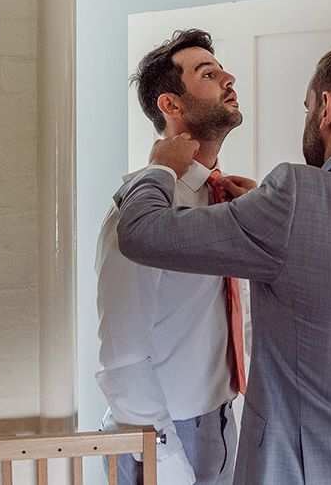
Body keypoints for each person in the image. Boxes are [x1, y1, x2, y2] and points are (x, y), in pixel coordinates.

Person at [114, 41, 331, 484]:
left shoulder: (296, 198)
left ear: (327, 109)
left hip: (303, 471)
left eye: (306, 107)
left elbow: (141, 232)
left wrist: (157, 171)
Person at [95, 29, 250, 485]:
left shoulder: (225, 198)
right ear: (171, 106)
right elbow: (122, 350)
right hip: (164, 437)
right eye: (208, 72)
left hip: (220, 420)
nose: (228, 78)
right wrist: (163, 460)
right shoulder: (140, 209)